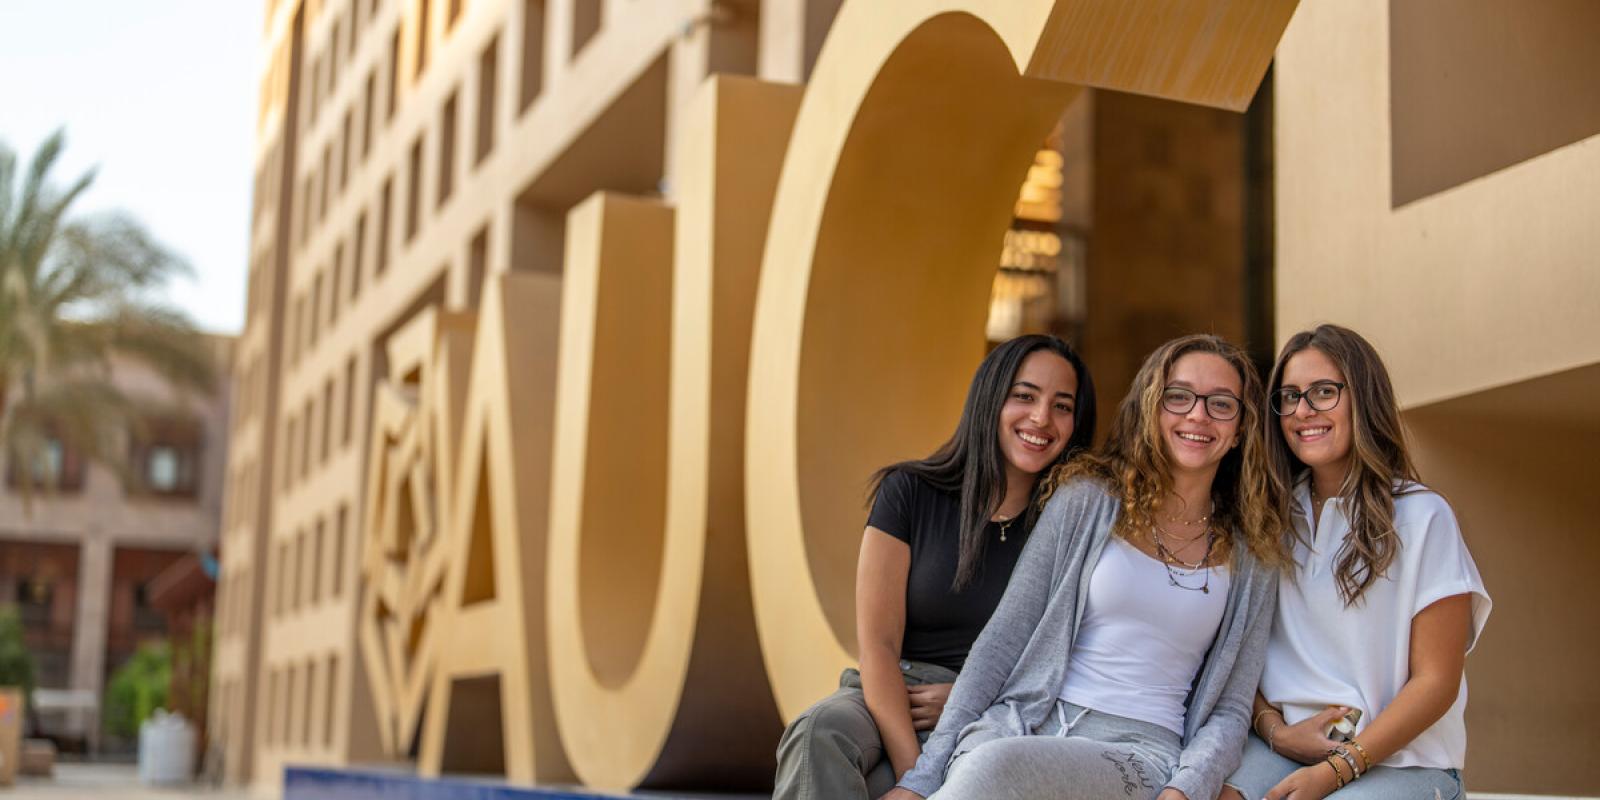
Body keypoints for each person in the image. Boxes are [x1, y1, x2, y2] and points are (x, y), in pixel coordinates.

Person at [886, 334, 1290, 800]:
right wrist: (919, 779)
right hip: (1025, 724)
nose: (1197, 415)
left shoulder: (1255, 550)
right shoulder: (1086, 501)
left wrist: (1186, 788)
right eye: (1178, 397)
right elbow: (1001, 642)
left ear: (1240, 428)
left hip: (1139, 755)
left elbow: (1232, 707)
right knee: (988, 761)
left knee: (996, 768)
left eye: (1221, 404)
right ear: (1151, 409)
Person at [772, 334, 1098, 800]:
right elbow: (879, 646)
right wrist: (915, 776)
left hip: (1006, 712)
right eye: (1023, 396)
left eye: (1062, 406)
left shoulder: (1075, 521)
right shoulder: (909, 493)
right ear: (990, 399)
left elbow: (1074, 653)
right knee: (818, 734)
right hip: (896, 694)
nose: (1041, 418)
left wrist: (969, 697)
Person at [1221, 325, 1491, 800]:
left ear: (1363, 399)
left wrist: (1337, 770)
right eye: (1289, 396)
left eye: (1324, 392)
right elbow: (1240, 654)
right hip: (1282, 745)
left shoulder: (1422, 516)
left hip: (1403, 761)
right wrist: (1277, 732)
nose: (1303, 411)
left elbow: (1437, 681)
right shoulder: (1268, 518)